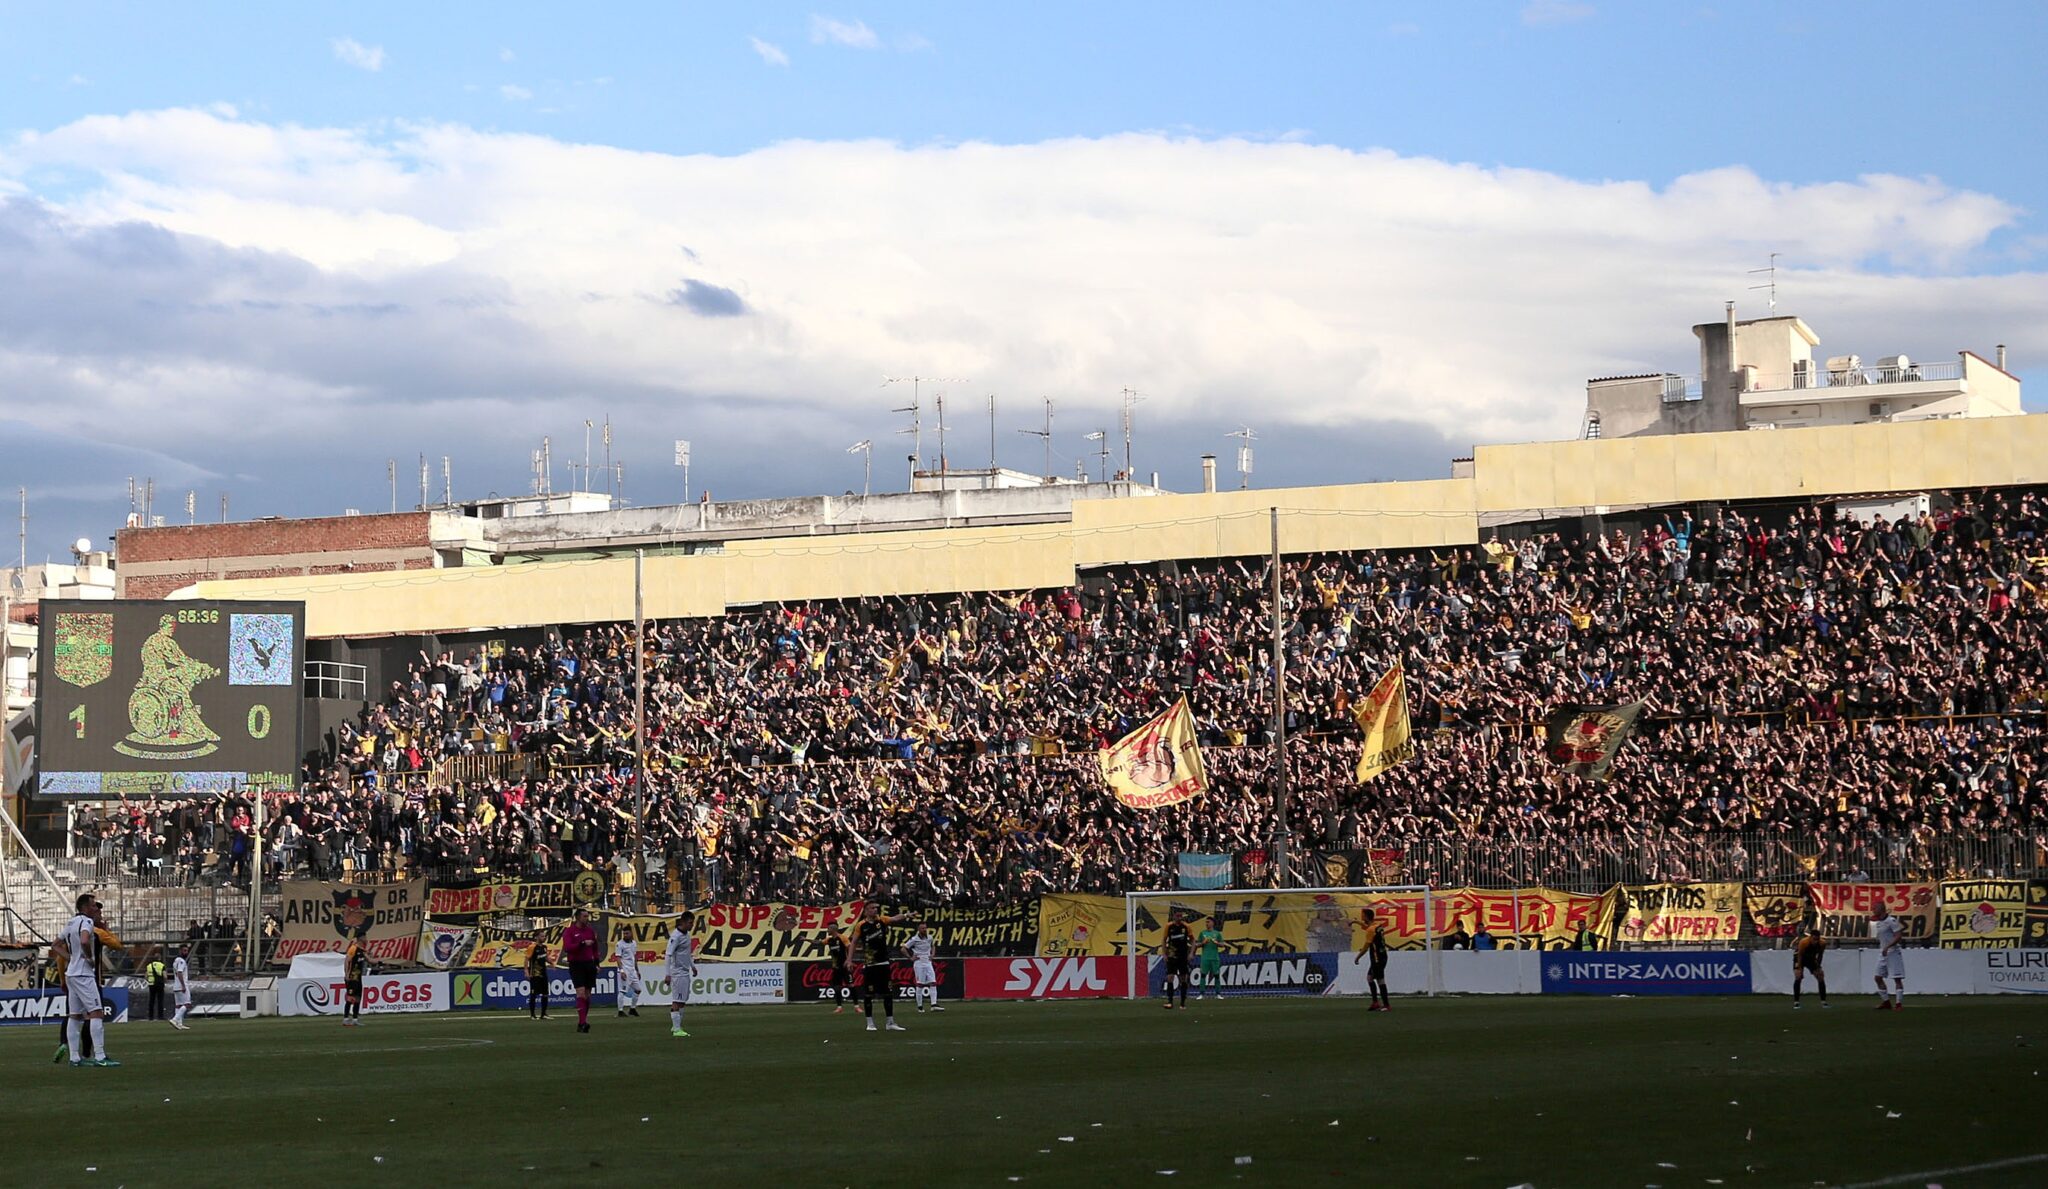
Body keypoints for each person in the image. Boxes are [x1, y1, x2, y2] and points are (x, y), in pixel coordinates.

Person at [57, 894, 119, 1068]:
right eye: (93, 905)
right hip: (84, 974)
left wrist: (71, 958)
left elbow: (55, 945)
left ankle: (74, 1058)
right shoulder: (87, 922)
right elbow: (84, 940)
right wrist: (89, 957)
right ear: (85, 907)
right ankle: (100, 1056)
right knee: (96, 1013)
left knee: (75, 1015)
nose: (96, 908)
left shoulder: (70, 923)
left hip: (71, 973)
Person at [854, 903, 908, 1033]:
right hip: (870, 964)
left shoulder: (882, 920)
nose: (875, 910)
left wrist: (906, 915)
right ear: (866, 911)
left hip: (884, 963)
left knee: (888, 993)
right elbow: (854, 942)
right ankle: (870, 1023)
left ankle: (890, 1022)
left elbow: (895, 918)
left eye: (876, 908)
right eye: (872, 908)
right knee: (869, 994)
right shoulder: (861, 925)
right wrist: (849, 959)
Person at [562, 908, 601, 1033]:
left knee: (588, 994)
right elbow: (567, 948)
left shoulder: (590, 931)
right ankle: (583, 1022)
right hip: (576, 964)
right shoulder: (569, 931)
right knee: (581, 993)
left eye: (587, 916)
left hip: (589, 964)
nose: (587, 918)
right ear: (578, 917)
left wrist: (597, 963)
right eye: (584, 916)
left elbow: (595, 948)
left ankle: (581, 1022)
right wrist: (582, 943)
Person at [1353, 908, 1391, 1012]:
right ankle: (1375, 1003)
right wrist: (1356, 922)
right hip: (1382, 956)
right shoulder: (1377, 926)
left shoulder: (1371, 930)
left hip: (1377, 958)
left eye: (1362, 915)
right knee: (1370, 978)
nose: (1361, 916)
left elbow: (1366, 947)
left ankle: (1386, 1005)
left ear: (1366, 916)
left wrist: (1358, 957)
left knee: (1380, 980)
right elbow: (1367, 927)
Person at [666, 911, 697, 1037]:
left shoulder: (687, 935)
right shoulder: (676, 936)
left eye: (692, 923)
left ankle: (676, 1026)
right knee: (676, 1000)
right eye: (690, 923)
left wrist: (693, 966)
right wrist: (667, 974)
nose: (692, 925)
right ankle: (676, 1030)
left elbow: (687, 953)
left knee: (682, 1001)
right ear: (683, 922)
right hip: (677, 973)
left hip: (685, 972)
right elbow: (668, 955)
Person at [1870, 902, 1906, 1011]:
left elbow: (1898, 936)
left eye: (1874, 908)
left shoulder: (1891, 921)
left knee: (1897, 979)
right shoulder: (1878, 922)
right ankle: (1886, 1002)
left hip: (1893, 952)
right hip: (1883, 952)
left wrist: (1888, 946)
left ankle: (1899, 1004)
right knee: (1877, 977)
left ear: (1881, 909)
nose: (1873, 910)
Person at [905, 922, 943, 1013]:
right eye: (922, 928)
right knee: (920, 984)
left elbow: (933, 945)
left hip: (928, 962)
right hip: (919, 963)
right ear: (918, 929)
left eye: (925, 928)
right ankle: (920, 1006)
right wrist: (910, 958)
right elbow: (903, 948)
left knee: (933, 982)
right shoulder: (914, 939)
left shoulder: (930, 937)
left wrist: (932, 954)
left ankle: (934, 1004)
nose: (924, 930)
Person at [1162, 913, 1193, 1009]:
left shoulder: (1186, 926)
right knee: (1170, 977)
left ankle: (1182, 1003)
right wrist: (1164, 954)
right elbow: (1164, 940)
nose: (1179, 918)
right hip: (1172, 955)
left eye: (1180, 916)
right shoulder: (1169, 926)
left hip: (1183, 955)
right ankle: (1170, 1002)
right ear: (1174, 917)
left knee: (1183, 978)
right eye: (1177, 916)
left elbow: (1193, 940)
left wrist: (1191, 953)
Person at [1792, 926, 1828, 1009]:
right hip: (1799, 957)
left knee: (1820, 976)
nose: (1816, 941)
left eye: (1817, 939)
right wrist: (1799, 968)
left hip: (1811, 959)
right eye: (1814, 939)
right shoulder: (1804, 942)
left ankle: (1823, 1001)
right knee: (1798, 976)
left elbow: (1820, 955)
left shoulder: (1822, 943)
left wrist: (1818, 966)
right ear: (1810, 937)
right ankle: (1796, 1002)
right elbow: (1800, 955)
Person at [342, 935, 370, 1026]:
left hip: (358, 978)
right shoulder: (353, 948)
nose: (366, 939)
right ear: (361, 938)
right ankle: (346, 1019)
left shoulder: (362, 950)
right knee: (350, 998)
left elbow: (370, 960)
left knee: (358, 998)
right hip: (352, 977)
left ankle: (355, 1019)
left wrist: (379, 961)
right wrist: (346, 974)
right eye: (365, 937)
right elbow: (347, 961)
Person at [614, 931, 643, 1018]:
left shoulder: (634, 943)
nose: (625, 935)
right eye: (624, 933)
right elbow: (618, 959)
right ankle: (620, 1011)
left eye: (627, 933)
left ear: (631, 934)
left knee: (638, 990)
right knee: (622, 991)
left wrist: (637, 970)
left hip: (632, 971)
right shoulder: (619, 944)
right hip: (625, 970)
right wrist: (621, 971)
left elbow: (634, 958)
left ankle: (632, 1009)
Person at [1195, 916, 1224, 1000]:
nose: (1206, 924)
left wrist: (1217, 943)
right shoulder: (1202, 933)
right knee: (1203, 975)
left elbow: (1222, 944)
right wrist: (1203, 943)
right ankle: (1201, 994)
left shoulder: (1217, 933)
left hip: (1215, 958)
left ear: (1212, 923)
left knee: (1217, 975)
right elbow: (1197, 944)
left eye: (1208, 922)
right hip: (1205, 958)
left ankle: (1218, 994)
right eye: (1206, 922)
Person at [826, 927, 854, 1014]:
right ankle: (839, 1007)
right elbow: (818, 942)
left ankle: (856, 1006)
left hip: (845, 966)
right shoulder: (829, 940)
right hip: (836, 967)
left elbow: (850, 947)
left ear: (833, 929)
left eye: (828, 929)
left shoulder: (843, 938)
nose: (827, 930)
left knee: (851, 985)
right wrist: (807, 940)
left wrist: (849, 960)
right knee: (837, 987)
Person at [525, 940, 551, 1020]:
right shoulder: (532, 947)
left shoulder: (544, 947)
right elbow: (527, 959)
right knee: (533, 994)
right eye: (542, 936)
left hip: (543, 973)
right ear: (537, 937)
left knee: (545, 993)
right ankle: (532, 1015)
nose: (544, 938)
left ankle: (543, 1014)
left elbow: (545, 958)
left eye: (544, 936)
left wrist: (552, 963)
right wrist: (526, 971)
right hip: (534, 974)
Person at [170, 945, 193, 1031]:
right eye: (184, 950)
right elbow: (180, 973)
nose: (186, 952)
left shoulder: (175, 960)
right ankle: (175, 1019)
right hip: (181, 985)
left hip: (176, 986)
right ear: (180, 951)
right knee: (187, 1004)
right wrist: (183, 985)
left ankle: (179, 1024)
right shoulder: (181, 961)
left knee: (178, 1005)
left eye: (187, 951)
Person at [144, 951, 168, 1021]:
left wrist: (149, 981)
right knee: (160, 1000)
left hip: (151, 985)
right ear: (159, 958)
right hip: (160, 984)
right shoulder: (162, 965)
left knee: (151, 1000)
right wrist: (165, 982)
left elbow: (146, 976)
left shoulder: (149, 966)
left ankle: (150, 1016)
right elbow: (165, 976)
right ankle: (160, 1016)